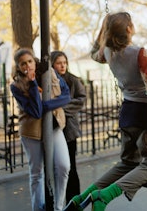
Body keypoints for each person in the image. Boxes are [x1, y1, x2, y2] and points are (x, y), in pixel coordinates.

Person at [64, 12, 147, 211]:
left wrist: (103, 29)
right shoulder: (140, 53)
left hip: (128, 112)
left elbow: (93, 52)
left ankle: (82, 198)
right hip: (146, 114)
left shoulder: (106, 52)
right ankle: (103, 196)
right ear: (129, 29)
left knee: (128, 163)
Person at [10, 48, 71, 211]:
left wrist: (46, 106)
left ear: (34, 60)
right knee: (37, 173)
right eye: (23, 63)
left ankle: (58, 207)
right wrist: (33, 83)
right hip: (32, 132)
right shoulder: (16, 86)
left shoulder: (48, 71)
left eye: (29, 61)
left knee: (63, 166)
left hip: (54, 126)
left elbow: (66, 96)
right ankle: (38, 208)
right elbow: (36, 112)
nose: (27, 66)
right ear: (18, 66)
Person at [51, 51, 86, 204]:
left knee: (70, 167)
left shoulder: (73, 80)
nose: (63, 65)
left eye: (64, 62)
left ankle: (73, 201)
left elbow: (81, 100)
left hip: (69, 129)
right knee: (54, 168)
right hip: (52, 128)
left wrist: (59, 108)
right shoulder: (49, 81)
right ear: (52, 64)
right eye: (59, 62)